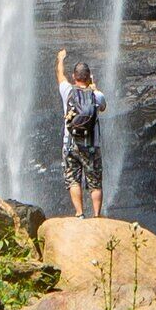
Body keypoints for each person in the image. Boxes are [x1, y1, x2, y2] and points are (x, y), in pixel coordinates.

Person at [53, 50, 106, 218]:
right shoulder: (97, 96)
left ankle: (79, 213)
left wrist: (60, 59)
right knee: (95, 182)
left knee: (74, 179)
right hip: (91, 145)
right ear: (89, 77)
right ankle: (97, 215)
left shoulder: (67, 91)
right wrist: (94, 87)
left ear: (74, 77)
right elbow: (103, 108)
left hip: (71, 144)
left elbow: (60, 75)